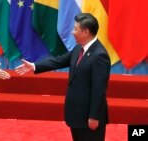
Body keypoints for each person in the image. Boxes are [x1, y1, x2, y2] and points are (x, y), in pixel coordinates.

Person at [15, 13, 110, 141]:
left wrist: (94, 116)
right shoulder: (79, 49)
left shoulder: (99, 56)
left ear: (86, 32)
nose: (72, 32)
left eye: (75, 29)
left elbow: (99, 90)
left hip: (89, 118)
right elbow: (59, 61)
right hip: (77, 115)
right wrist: (34, 66)